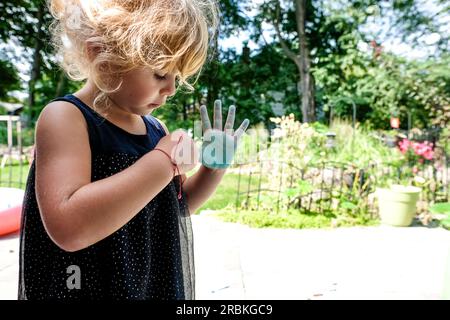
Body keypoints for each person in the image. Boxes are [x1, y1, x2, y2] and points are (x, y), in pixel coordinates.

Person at [18, 0, 249, 300]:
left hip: (147, 286)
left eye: (176, 77)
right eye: (160, 73)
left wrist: (213, 168)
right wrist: (164, 162)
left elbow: (173, 208)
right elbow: (68, 226)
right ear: (101, 54)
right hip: (85, 285)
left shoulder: (156, 131)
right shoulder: (66, 118)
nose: (171, 89)